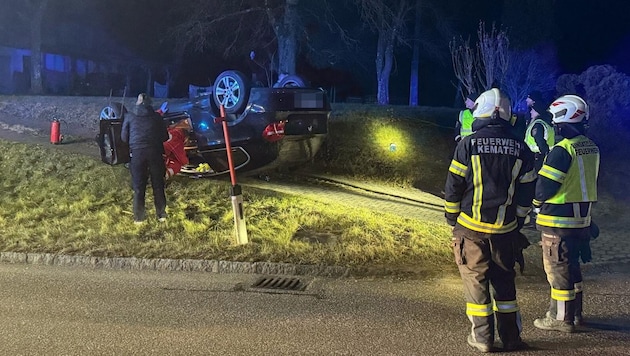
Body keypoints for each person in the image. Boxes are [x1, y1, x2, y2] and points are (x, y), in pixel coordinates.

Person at [444, 88, 536, 352]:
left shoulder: (468, 144)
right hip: (505, 231)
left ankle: (483, 338)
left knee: (476, 283)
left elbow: (453, 186)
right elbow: (526, 192)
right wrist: (518, 222)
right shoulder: (522, 149)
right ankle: (511, 338)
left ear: (481, 111)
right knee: (505, 284)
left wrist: (452, 217)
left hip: (471, 230)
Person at [532, 95, 600, 333]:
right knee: (572, 268)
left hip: (557, 222)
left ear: (564, 118)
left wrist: (535, 203)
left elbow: (544, 187)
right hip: (582, 220)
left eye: (555, 120)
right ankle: (576, 314)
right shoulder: (590, 147)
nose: (554, 125)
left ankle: (561, 319)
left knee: (557, 270)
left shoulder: (562, 150)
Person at [121, 93, 169, 223]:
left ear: (137, 102)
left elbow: (124, 138)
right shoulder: (157, 117)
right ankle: (161, 215)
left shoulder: (129, 116)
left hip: (137, 154)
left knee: (138, 187)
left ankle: (139, 218)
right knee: (158, 185)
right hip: (155, 153)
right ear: (150, 104)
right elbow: (165, 137)